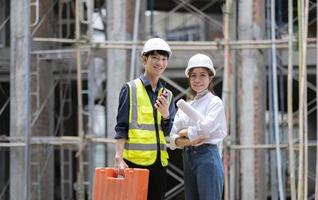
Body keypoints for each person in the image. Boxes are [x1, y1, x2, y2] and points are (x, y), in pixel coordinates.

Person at [114, 38, 176, 200]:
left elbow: (170, 131)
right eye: (155, 58)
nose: (159, 63)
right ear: (144, 59)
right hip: (134, 162)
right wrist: (118, 157)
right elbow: (121, 127)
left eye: (163, 59)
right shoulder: (130, 89)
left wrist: (166, 115)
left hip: (159, 163)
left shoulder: (168, 95)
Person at [170, 53, 227, 200]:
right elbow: (171, 134)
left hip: (207, 157)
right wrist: (188, 139)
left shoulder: (215, 103)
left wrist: (184, 132)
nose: (197, 80)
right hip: (188, 157)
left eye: (202, 75)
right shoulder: (186, 105)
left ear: (210, 78)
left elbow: (205, 130)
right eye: (193, 75)